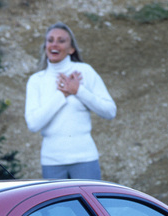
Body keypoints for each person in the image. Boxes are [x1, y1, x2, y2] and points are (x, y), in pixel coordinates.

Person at [24, 22, 116, 180]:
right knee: (56, 206)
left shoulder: (85, 72)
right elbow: (33, 124)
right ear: (45, 45)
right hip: (51, 162)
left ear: (71, 48)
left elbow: (110, 111)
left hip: (85, 158)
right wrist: (62, 95)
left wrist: (78, 90)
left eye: (61, 41)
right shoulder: (36, 81)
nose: (54, 44)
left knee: (88, 205)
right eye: (50, 40)